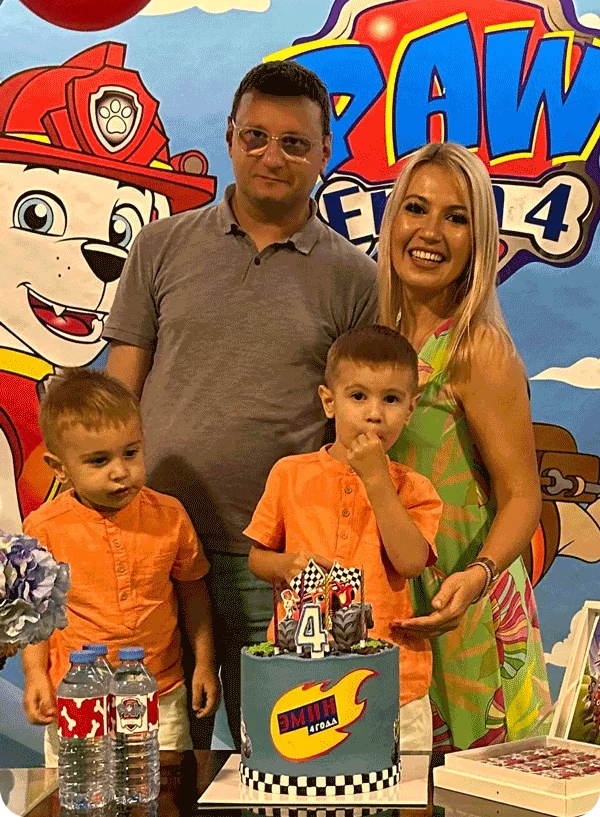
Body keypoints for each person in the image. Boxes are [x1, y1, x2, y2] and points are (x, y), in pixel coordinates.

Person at [103, 60, 379, 749]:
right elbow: (118, 394)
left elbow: (361, 423)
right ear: (230, 136)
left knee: (287, 755)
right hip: (156, 551)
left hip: (282, 560)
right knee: (162, 760)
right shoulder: (161, 245)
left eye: (294, 143)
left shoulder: (356, 279)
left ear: (324, 152)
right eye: (256, 136)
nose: (271, 156)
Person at [377, 141, 551, 753]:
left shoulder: (479, 350)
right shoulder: (373, 339)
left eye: (456, 218)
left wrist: (478, 577)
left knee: (477, 789)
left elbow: (522, 496)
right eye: (416, 208)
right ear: (392, 220)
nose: (430, 232)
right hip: (394, 608)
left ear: (479, 241)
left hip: (468, 611)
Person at [245, 325, 443, 752]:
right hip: (303, 678)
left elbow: (410, 562)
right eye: (358, 396)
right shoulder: (289, 474)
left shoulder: (415, 488)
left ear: (410, 409)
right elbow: (257, 558)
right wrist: (284, 564)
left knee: (401, 785)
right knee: (309, 778)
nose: (374, 414)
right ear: (328, 401)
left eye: (391, 400)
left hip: (395, 682)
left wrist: (377, 479)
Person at [21, 369, 220, 767]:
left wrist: (204, 663)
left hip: (160, 693)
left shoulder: (170, 515)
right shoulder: (44, 528)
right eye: (99, 460)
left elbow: (193, 592)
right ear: (59, 468)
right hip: (77, 697)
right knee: (76, 790)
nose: (120, 471)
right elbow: (36, 613)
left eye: (130, 453)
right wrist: (35, 675)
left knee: (163, 787)